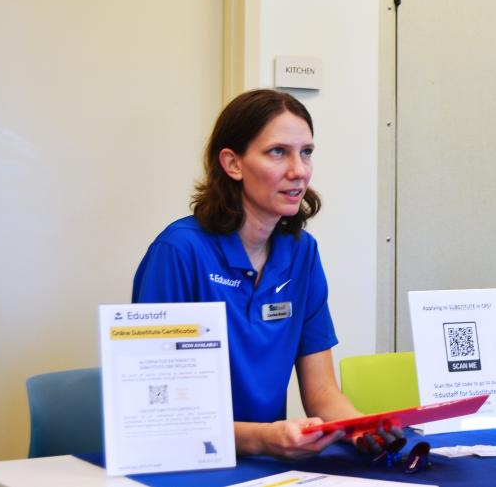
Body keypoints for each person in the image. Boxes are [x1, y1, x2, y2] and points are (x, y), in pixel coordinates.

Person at [132, 89, 380, 460]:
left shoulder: (302, 253)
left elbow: (322, 392)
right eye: (278, 152)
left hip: (266, 464)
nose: (299, 170)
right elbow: (161, 412)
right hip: (188, 462)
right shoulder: (178, 252)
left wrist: (365, 428)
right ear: (233, 163)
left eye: (306, 152)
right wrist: (263, 439)